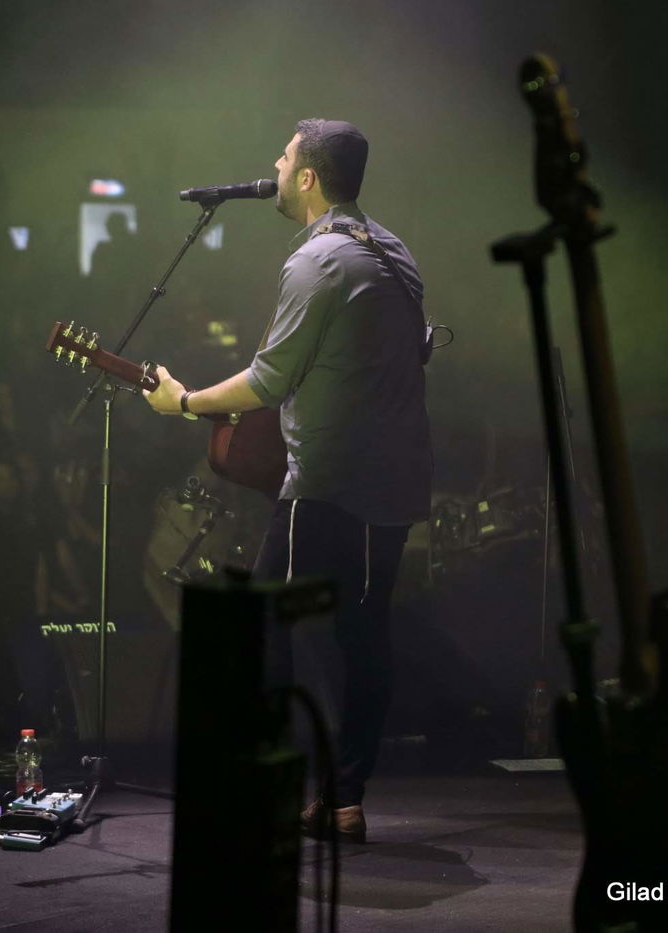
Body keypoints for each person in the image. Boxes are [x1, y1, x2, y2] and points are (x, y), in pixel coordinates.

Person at [143, 119, 431, 844]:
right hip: (395, 485)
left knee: (274, 632)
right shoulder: (394, 252)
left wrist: (183, 401)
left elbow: (269, 380)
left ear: (306, 177)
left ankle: (273, 787)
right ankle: (342, 797)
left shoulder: (319, 263)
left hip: (327, 486)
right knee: (364, 638)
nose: (271, 164)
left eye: (283, 156)